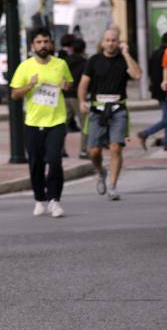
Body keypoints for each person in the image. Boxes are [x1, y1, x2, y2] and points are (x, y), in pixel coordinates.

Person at [10, 28, 73, 218]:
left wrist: (65, 85)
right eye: (39, 42)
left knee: (54, 160)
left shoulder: (60, 64)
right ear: (32, 46)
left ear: (51, 43)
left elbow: (68, 83)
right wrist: (29, 85)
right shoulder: (25, 67)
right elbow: (14, 94)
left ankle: (54, 200)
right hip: (33, 122)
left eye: (46, 41)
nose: (43, 45)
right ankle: (39, 198)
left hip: (56, 121)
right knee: (36, 163)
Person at [77, 28, 141, 201]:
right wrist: (82, 100)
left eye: (114, 40)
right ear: (102, 42)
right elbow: (83, 84)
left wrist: (126, 54)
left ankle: (112, 186)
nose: (110, 43)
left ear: (118, 42)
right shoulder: (93, 61)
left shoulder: (123, 60)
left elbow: (137, 74)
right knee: (94, 151)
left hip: (118, 109)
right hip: (97, 109)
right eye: (108, 40)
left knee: (115, 147)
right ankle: (100, 171)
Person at [142, 32, 167, 149]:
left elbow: (150, 72)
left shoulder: (154, 53)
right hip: (166, 89)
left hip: (157, 90)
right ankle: (146, 133)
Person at [64, 38, 89, 157]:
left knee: (62, 124)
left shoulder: (65, 61)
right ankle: (83, 150)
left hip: (64, 95)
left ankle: (60, 149)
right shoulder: (85, 62)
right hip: (78, 96)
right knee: (85, 124)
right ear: (83, 49)